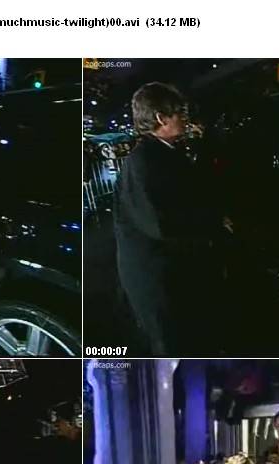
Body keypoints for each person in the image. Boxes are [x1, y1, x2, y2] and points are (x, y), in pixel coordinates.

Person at [112, 83, 209, 354]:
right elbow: (158, 223)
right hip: (154, 275)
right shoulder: (143, 161)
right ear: (160, 118)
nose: (185, 118)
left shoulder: (165, 152)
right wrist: (209, 225)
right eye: (179, 112)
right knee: (168, 345)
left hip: (168, 268)